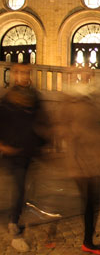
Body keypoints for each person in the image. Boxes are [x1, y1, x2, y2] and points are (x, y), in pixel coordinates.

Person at [0, 64, 48, 252]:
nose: (22, 76)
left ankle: (14, 219)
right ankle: (13, 218)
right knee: (16, 187)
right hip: (9, 150)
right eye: (18, 73)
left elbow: (41, 122)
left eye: (25, 72)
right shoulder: (7, 98)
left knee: (20, 188)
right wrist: (2, 143)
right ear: (12, 75)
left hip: (26, 151)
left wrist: (42, 144)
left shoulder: (35, 98)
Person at [60, 74, 100, 255]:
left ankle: (88, 238)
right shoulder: (70, 104)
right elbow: (64, 130)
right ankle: (87, 241)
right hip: (80, 161)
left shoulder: (92, 102)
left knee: (94, 201)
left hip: (96, 160)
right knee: (89, 201)